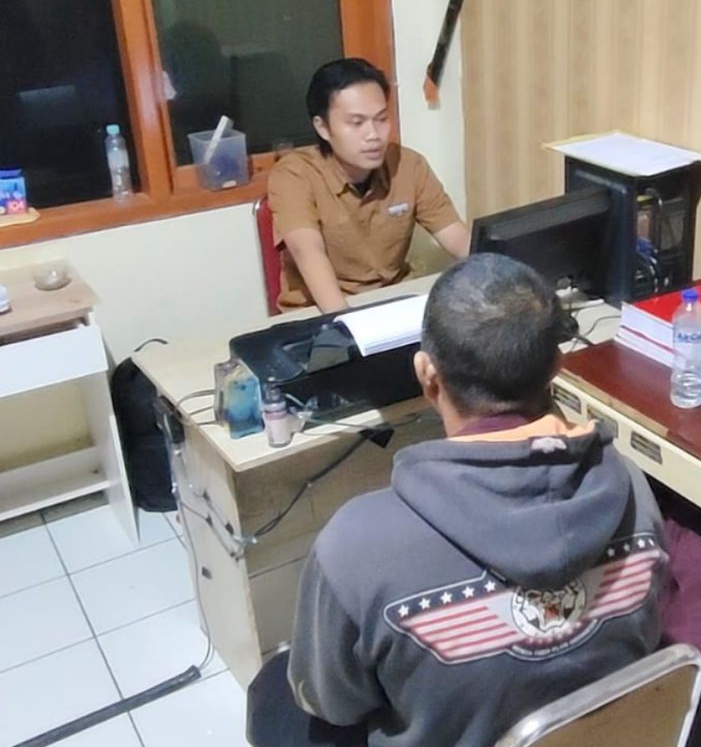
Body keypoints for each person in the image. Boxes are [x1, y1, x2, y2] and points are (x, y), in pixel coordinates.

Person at [246, 253, 667, 747]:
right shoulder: (631, 487)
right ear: (556, 368)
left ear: (427, 374)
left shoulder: (355, 545)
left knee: (273, 691)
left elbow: (331, 703)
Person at [268, 58, 470, 312]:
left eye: (381, 119)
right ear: (323, 128)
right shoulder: (294, 175)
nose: (373, 135)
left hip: (393, 300)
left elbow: (457, 238)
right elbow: (307, 251)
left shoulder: (408, 165)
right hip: (319, 311)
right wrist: (348, 324)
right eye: (356, 123)